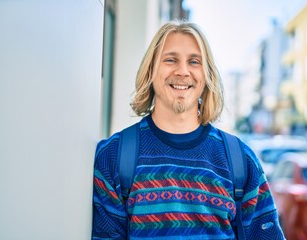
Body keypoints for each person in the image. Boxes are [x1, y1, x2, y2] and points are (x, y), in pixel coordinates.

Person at [92, 20, 285, 240]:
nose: (183, 71)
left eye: (194, 61)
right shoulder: (113, 156)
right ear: (150, 71)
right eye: (170, 59)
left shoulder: (241, 161)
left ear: (207, 76)